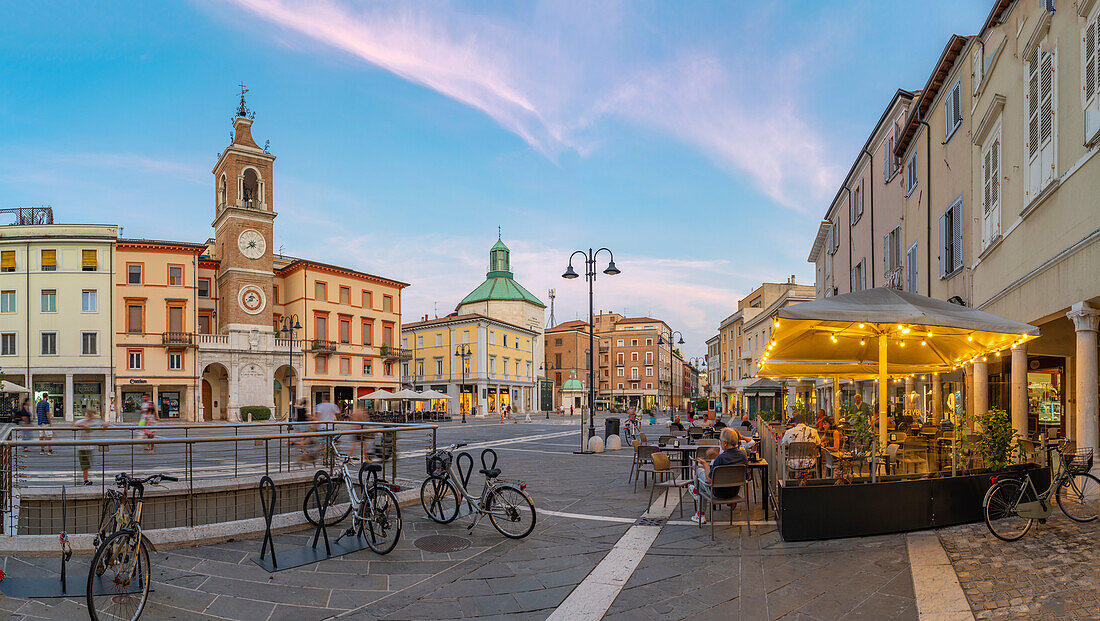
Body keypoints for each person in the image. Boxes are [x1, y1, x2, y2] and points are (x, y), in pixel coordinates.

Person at [688, 427, 748, 524]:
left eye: (720, 441)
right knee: (701, 485)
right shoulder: (743, 455)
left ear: (725, 443)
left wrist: (705, 464)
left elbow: (710, 480)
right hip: (734, 492)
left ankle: (699, 509)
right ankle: (697, 498)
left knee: (699, 473)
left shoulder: (720, 458)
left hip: (718, 493)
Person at [75, 407, 108, 485]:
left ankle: (83, 478)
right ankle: (85, 480)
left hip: (89, 446)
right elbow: (74, 424)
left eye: (92, 415)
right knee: (85, 464)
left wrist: (105, 425)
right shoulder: (82, 421)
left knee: (87, 464)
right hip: (82, 446)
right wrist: (83, 426)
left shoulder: (94, 421)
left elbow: (103, 424)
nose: (91, 417)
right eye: (90, 415)